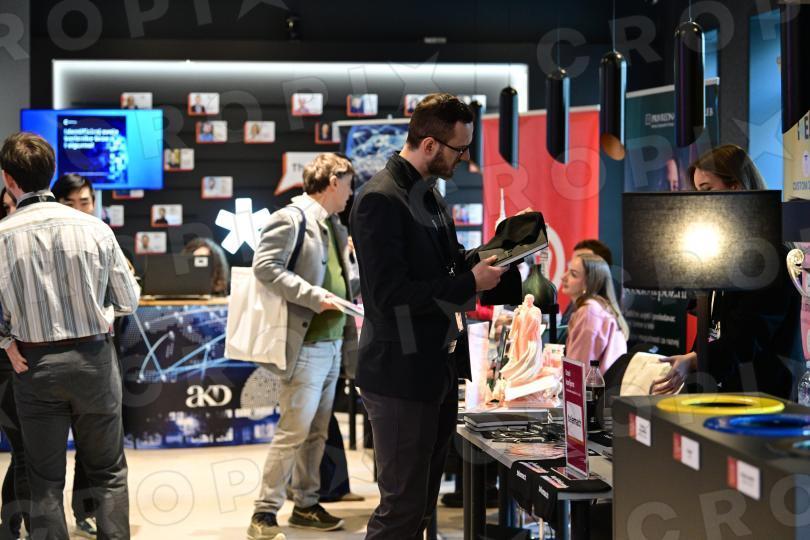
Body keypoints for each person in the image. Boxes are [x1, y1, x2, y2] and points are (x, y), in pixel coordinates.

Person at [350, 93, 521, 539]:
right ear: (429, 145)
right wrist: (470, 283)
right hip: (399, 373)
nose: (464, 158)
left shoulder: (429, 194)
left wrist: (505, 253)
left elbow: (449, 265)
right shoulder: (379, 199)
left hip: (435, 369)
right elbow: (389, 296)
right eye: (459, 149)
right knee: (402, 509)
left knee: (422, 506)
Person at [0, 132, 139, 539]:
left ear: (8, 179)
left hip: (34, 365)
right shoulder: (95, 229)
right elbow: (128, 300)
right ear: (52, 172)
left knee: (44, 480)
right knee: (108, 472)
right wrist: (100, 314)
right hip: (95, 360)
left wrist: (6, 342)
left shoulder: (2, 236)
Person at [248, 153, 359, 539]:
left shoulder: (332, 224)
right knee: (293, 432)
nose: (351, 193)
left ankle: (306, 504)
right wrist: (313, 295)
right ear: (333, 182)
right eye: (348, 185)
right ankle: (264, 512)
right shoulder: (291, 218)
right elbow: (265, 266)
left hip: (331, 343)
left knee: (317, 432)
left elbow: (339, 280)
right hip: (306, 345)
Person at [652, 144, 803, 398]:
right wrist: (694, 364)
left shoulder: (769, 254)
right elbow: (713, 326)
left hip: (765, 397)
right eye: (697, 192)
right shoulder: (724, 248)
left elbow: (748, 336)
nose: (700, 201)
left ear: (736, 187)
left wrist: (695, 361)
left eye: (707, 190)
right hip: (728, 390)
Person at [50, 173, 106, 538]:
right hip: (46, 360)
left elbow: (126, 295)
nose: (78, 209)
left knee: (94, 449)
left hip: (97, 357)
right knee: (44, 455)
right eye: (69, 203)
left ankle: (86, 512)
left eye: (84, 202)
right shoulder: (42, 244)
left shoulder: (104, 239)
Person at [561, 253, 628, 374]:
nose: (563, 277)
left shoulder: (589, 312)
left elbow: (578, 370)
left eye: (573, 274)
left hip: (594, 385)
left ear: (589, 283)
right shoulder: (600, 307)